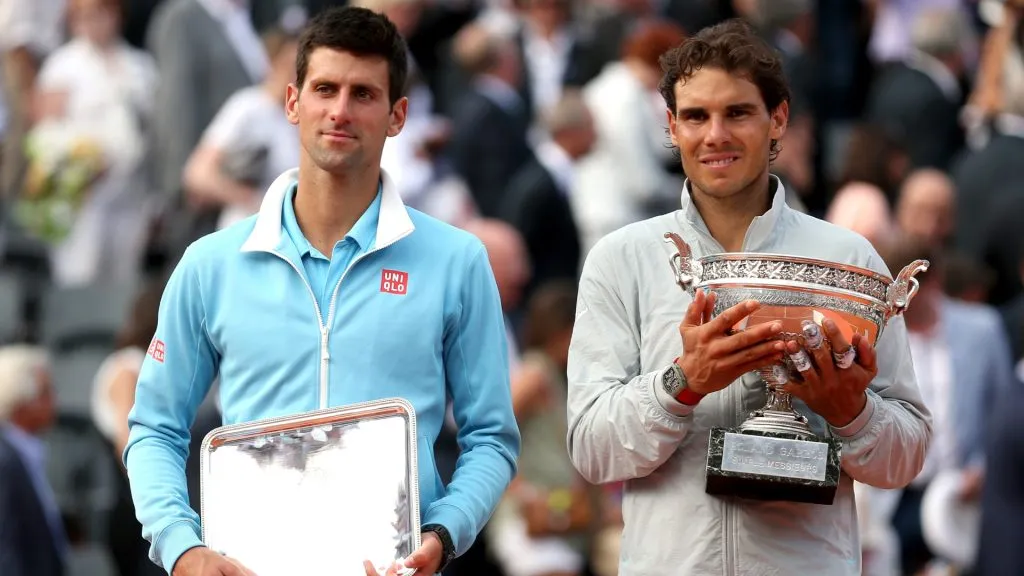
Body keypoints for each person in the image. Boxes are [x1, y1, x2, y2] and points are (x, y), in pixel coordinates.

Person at [123, 7, 521, 576]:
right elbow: (154, 427)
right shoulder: (209, 265)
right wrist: (181, 547)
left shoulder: (457, 262)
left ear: (397, 115)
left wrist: (442, 532)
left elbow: (491, 438)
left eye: (363, 94)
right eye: (325, 89)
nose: (340, 110)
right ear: (292, 102)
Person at [565, 19, 932, 575]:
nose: (715, 135)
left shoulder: (848, 259)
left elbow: (906, 456)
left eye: (737, 112)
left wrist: (850, 412)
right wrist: (680, 384)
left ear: (777, 118)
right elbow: (592, 450)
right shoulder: (622, 259)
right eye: (695, 116)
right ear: (671, 125)